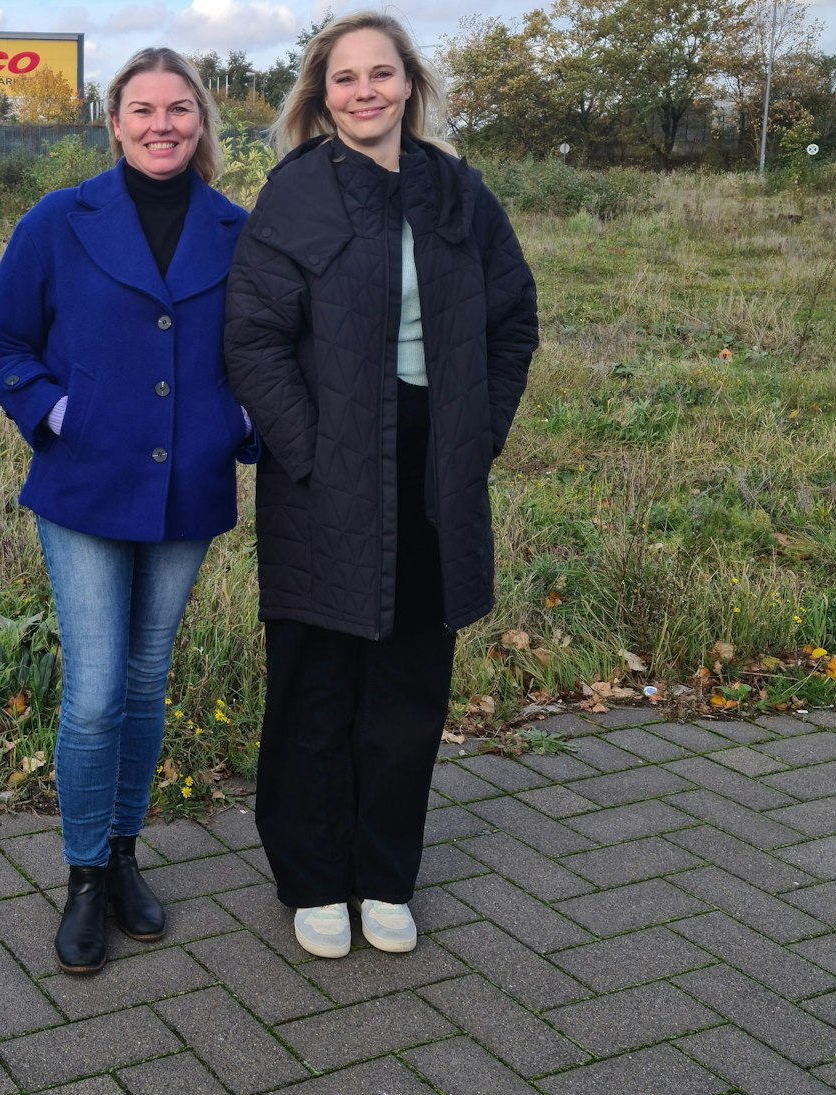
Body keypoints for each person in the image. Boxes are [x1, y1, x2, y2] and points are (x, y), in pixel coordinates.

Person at [223, 11, 540, 959]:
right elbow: (251, 337)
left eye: (381, 74)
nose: (365, 91)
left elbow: (513, 318)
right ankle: (315, 878)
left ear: (410, 84)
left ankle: (386, 876)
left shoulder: (460, 193)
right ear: (322, 96)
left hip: (435, 467)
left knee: (409, 686)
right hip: (324, 472)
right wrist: (310, 451)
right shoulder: (296, 193)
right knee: (316, 683)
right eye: (345, 78)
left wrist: (477, 433)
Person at [0, 48, 256, 974]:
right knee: (95, 693)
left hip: (188, 487)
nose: (161, 124)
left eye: (179, 108)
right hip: (86, 486)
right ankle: (86, 874)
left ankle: (127, 854)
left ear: (202, 120)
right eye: (143, 109)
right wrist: (63, 416)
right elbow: (1, 340)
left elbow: (272, 348)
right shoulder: (60, 219)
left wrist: (235, 426)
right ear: (115, 121)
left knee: (144, 680)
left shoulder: (238, 230)